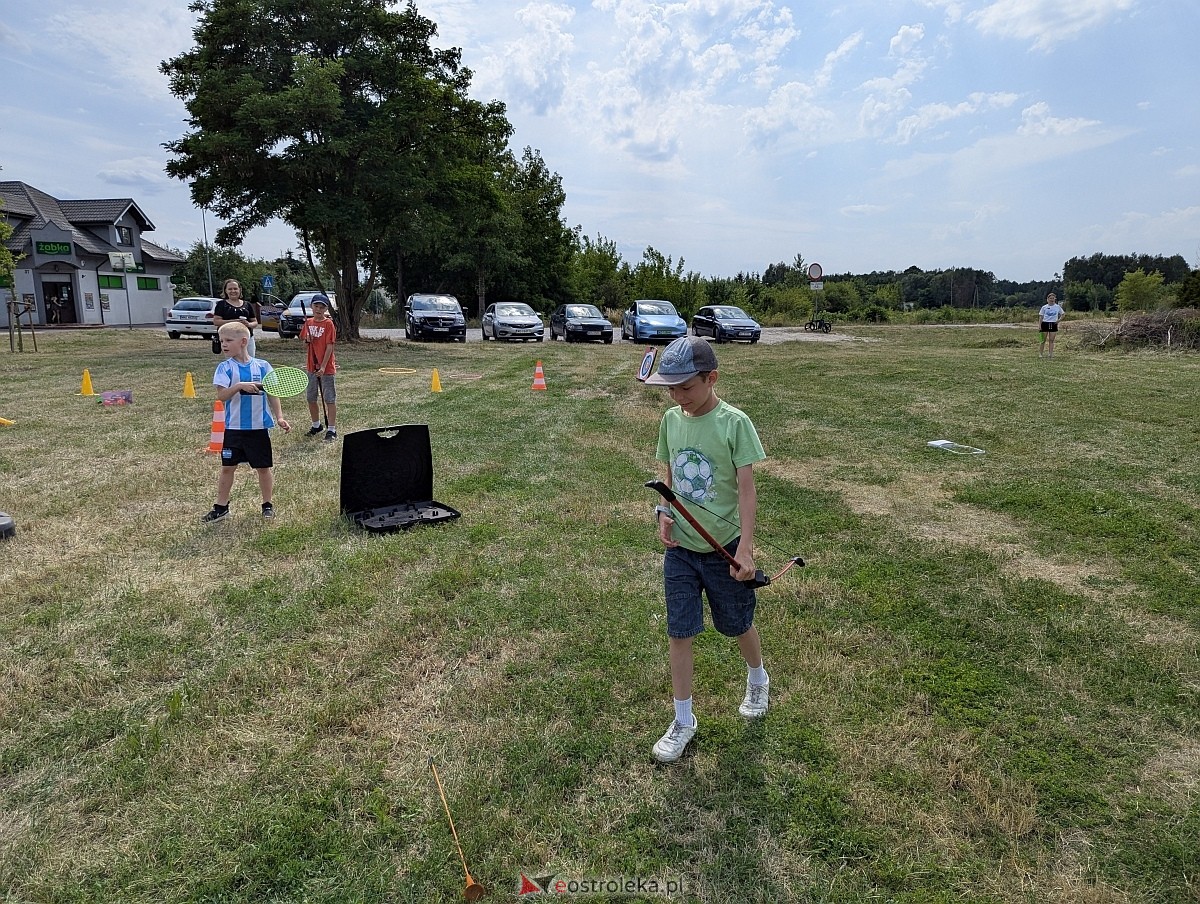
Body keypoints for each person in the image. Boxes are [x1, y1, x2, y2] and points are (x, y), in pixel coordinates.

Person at [643, 336, 769, 763]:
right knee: (680, 631)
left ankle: (757, 678)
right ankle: (683, 720)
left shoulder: (735, 423)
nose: (677, 396)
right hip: (682, 548)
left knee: (736, 624)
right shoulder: (671, 420)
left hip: (724, 548)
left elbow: (748, 492)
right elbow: (671, 472)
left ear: (711, 378)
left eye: (685, 388)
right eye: (671, 389)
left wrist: (746, 549)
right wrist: (665, 511)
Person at [201, 321, 291, 523]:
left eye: (228, 340)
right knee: (227, 468)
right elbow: (222, 396)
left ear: (243, 342)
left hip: (258, 429)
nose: (223, 344)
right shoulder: (225, 368)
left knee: (263, 468)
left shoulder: (263, 366)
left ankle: (267, 504)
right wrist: (240, 386)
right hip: (234, 429)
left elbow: (273, 393)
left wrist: (280, 417)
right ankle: (221, 507)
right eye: (221, 340)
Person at [302, 294, 338, 442]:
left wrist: (323, 366)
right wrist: (307, 339)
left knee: (329, 398)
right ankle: (316, 425)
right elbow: (305, 343)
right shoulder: (308, 322)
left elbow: (330, 346)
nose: (318, 309)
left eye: (322, 307)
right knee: (311, 397)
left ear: (326, 309)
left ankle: (332, 429)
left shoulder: (328, 324)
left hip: (326, 368)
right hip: (311, 366)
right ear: (311, 307)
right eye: (316, 306)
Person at [212, 278, 261, 356]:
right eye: (230, 289)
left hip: (247, 339)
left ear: (239, 290)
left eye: (235, 289)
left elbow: (255, 322)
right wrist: (234, 322)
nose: (233, 291)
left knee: (249, 361)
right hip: (229, 339)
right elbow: (216, 321)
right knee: (233, 363)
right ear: (226, 291)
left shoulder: (247, 304)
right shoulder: (221, 304)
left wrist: (248, 324)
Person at [1039, 291, 1065, 358]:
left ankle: (1050, 354)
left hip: (1053, 324)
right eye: (1050, 298)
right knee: (1042, 340)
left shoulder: (1057, 307)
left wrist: (1058, 321)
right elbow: (1041, 317)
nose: (1052, 299)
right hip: (1045, 323)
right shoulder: (1044, 307)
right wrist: (1039, 326)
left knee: (1051, 340)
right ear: (1047, 299)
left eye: (1053, 298)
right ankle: (1040, 354)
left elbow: (1063, 314)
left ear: (1055, 299)